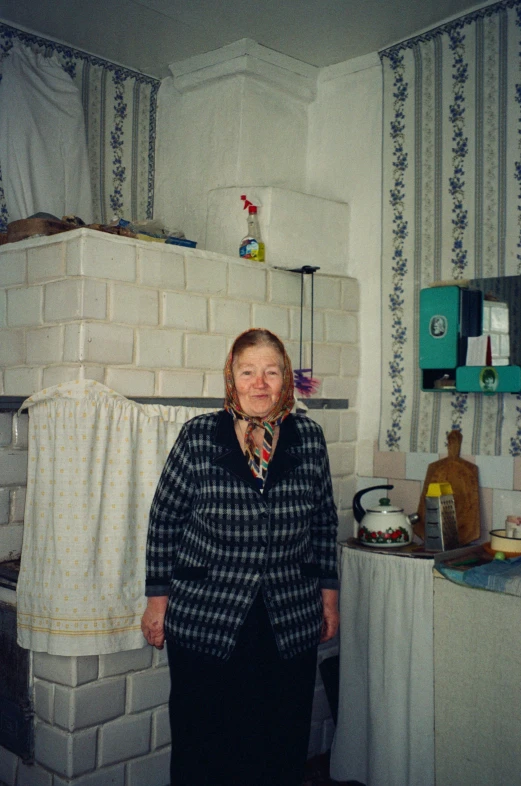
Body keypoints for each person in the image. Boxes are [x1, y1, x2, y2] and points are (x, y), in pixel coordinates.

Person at [141, 328, 339, 786]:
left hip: (287, 617)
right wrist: (157, 602)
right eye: (248, 371)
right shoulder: (198, 436)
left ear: (286, 378)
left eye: (271, 372)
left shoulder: (309, 437)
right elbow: (164, 519)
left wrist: (329, 600)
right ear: (231, 377)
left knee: (279, 742)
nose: (260, 383)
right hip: (207, 616)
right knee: (203, 745)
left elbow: (325, 522)